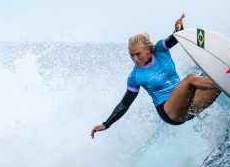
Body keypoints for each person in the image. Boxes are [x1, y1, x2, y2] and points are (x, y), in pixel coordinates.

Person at [90, 14, 221, 138]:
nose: (135, 59)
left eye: (138, 54)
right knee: (190, 79)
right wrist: (106, 124)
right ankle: (228, 77)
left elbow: (175, 38)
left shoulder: (159, 49)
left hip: (188, 104)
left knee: (219, 87)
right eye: (131, 55)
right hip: (169, 112)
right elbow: (125, 104)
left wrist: (178, 29)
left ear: (148, 49)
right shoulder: (135, 76)